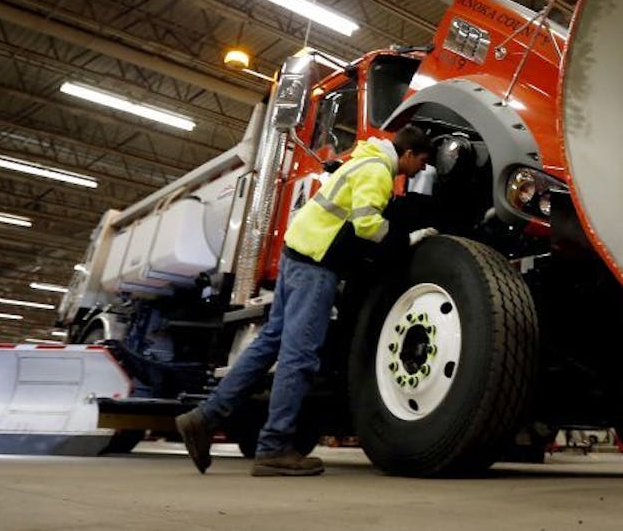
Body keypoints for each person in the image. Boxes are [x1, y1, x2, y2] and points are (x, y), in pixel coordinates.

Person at [176, 124, 432, 476]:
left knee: (269, 343)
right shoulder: (378, 172)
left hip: (296, 257)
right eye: (422, 161)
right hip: (316, 266)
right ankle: (274, 447)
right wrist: (408, 240)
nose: (421, 169)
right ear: (408, 154)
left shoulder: (362, 160)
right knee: (299, 357)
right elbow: (367, 225)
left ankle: (204, 418)